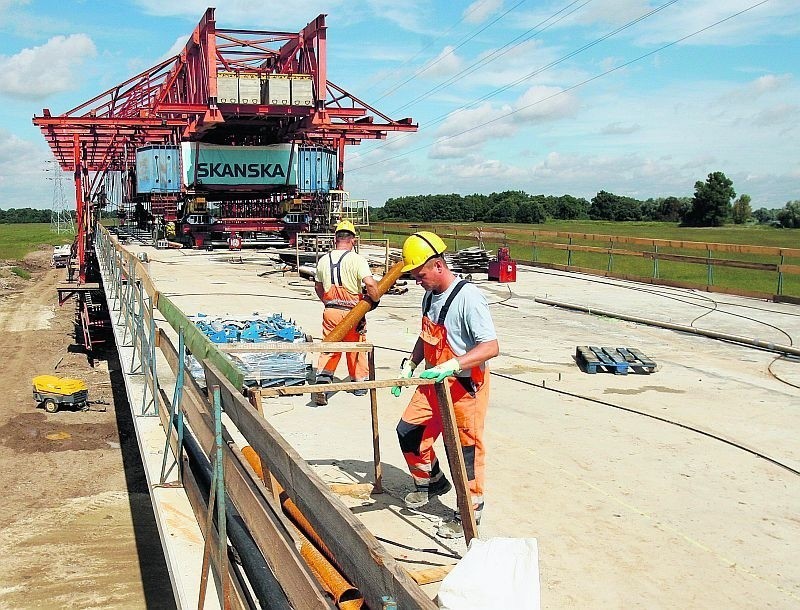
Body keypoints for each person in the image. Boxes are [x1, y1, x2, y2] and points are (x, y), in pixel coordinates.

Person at [392, 231, 499, 539]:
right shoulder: (429, 296)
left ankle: (469, 511)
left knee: (465, 453)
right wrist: (411, 362)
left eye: (420, 273)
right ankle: (431, 482)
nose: (416, 280)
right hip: (433, 383)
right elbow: (427, 335)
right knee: (408, 432)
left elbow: (490, 346)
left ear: (437, 265)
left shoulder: (469, 298)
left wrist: (453, 364)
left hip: (464, 387)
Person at [313, 219, 380, 406]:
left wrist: (327, 301)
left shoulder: (324, 260)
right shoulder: (357, 259)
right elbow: (371, 284)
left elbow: (318, 286)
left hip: (331, 311)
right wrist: (374, 301)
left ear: (336, 238)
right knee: (356, 346)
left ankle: (323, 382)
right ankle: (359, 384)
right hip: (353, 313)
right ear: (353, 240)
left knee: (330, 346)